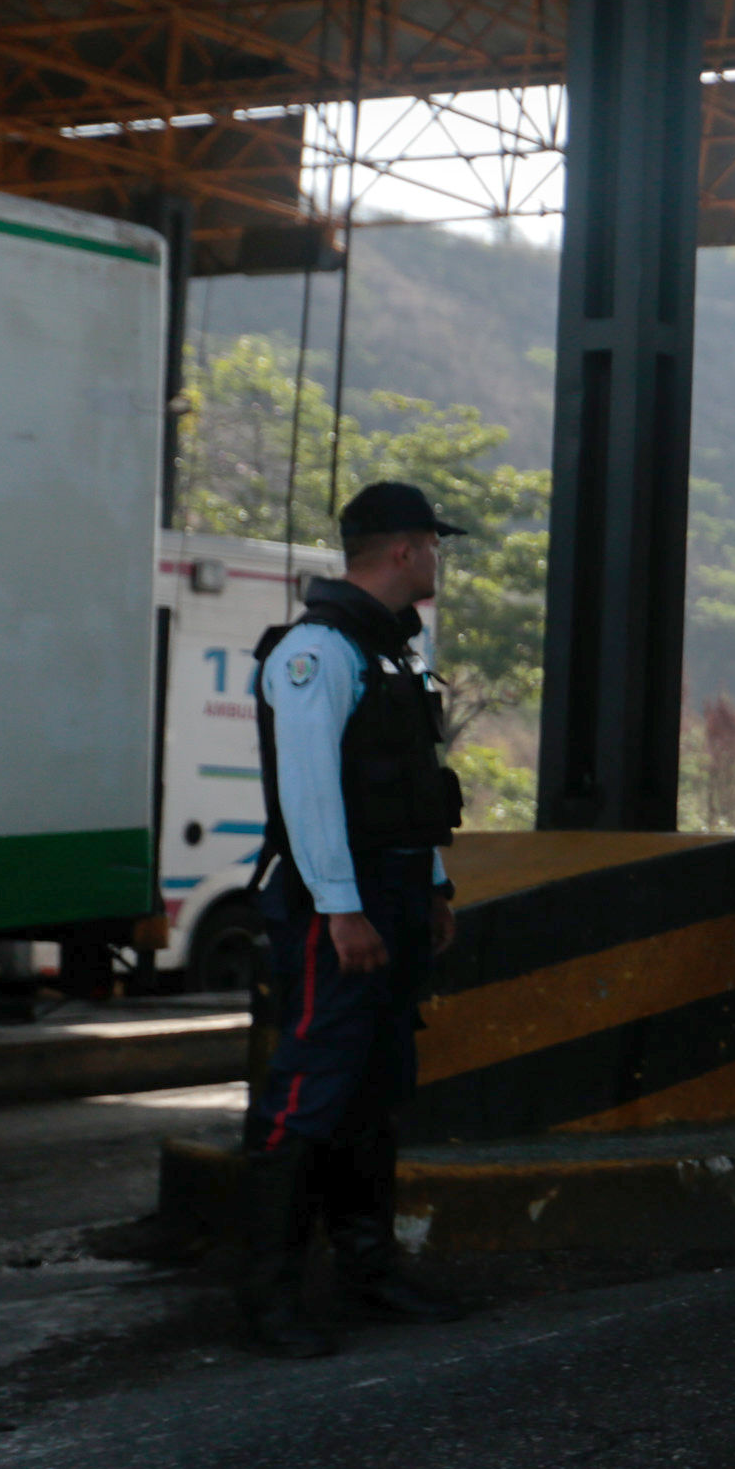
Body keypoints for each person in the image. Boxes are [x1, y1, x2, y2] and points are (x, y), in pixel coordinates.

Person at [238, 481, 471, 1357]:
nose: (437, 560)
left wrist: (436, 885)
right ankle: (267, 1298)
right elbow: (309, 796)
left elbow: (408, 787)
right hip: (338, 907)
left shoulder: (390, 655)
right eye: (432, 545)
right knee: (309, 1090)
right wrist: (342, 910)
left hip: (395, 897)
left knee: (372, 1090)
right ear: (405, 550)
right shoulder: (317, 652)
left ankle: (370, 1274)